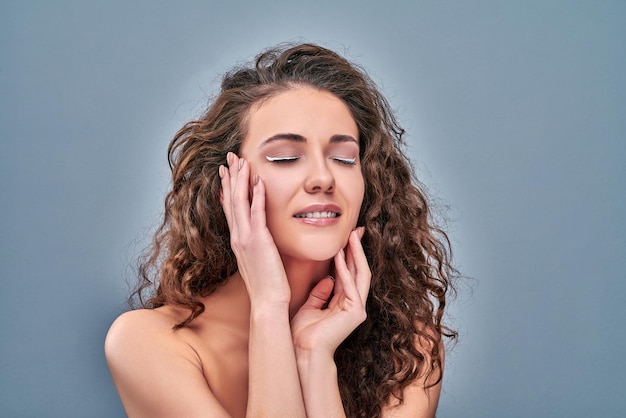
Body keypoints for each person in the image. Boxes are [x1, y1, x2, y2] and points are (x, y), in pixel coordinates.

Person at [105, 43, 457, 418]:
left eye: (344, 158)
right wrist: (269, 308)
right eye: (285, 157)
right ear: (225, 185)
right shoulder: (149, 342)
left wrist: (314, 358)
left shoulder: (411, 349)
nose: (323, 177)